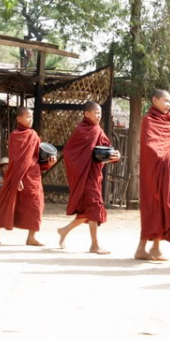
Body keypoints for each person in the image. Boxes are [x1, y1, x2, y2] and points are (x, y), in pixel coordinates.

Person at [135, 89, 170, 261]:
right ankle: (141, 249)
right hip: (153, 173)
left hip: (167, 172)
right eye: (165, 101)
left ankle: (155, 248)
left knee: (164, 208)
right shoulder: (149, 120)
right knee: (153, 208)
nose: (168, 104)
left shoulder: (169, 121)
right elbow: (152, 147)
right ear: (154, 100)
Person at [58, 101, 120, 254]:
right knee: (95, 206)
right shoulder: (81, 130)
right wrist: (82, 163)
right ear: (87, 114)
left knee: (89, 210)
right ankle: (94, 245)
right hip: (83, 175)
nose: (99, 116)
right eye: (96, 113)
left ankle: (64, 230)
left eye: (100, 113)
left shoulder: (97, 130)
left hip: (93, 175)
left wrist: (115, 156)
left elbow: (107, 149)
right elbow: (69, 152)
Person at [0, 107, 57, 245]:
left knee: (36, 204)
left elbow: (38, 157)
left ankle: (31, 237)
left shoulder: (34, 135)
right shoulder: (15, 135)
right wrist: (17, 178)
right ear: (19, 119)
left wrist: (48, 163)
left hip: (33, 175)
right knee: (7, 204)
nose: (30, 119)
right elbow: (15, 159)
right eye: (27, 117)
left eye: (31, 116)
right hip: (17, 175)